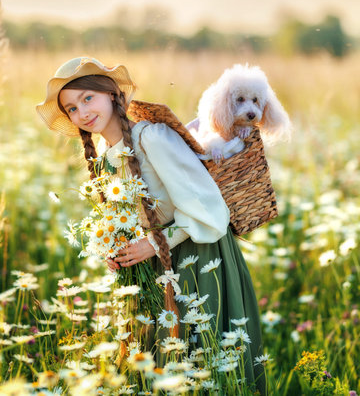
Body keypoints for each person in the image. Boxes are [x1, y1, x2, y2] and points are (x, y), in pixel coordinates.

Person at [36, 56, 266, 393]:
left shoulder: (151, 138)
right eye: (71, 108)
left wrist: (153, 243)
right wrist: (115, 247)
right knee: (160, 364)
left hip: (197, 257)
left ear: (112, 95)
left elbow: (208, 208)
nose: (82, 112)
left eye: (88, 98)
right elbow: (128, 216)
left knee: (203, 363)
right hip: (154, 266)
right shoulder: (104, 151)